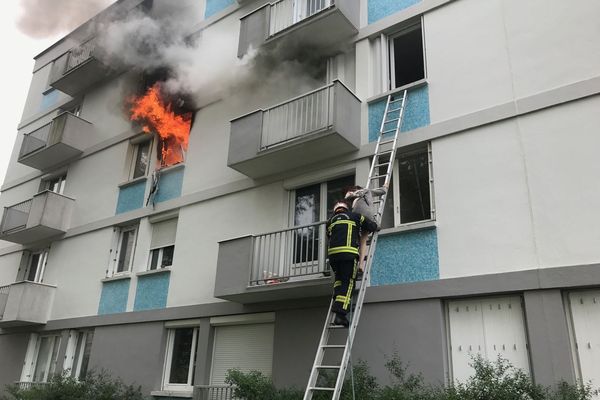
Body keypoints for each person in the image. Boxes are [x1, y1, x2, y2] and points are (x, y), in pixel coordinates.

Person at [326, 201, 377, 327]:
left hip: (333, 257)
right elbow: (371, 226)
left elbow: (330, 236)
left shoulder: (330, 221)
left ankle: (337, 300)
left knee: (339, 280)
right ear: (346, 209)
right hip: (348, 255)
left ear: (335, 211)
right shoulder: (355, 216)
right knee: (348, 282)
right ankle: (340, 313)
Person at [344, 184, 388, 273]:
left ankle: (360, 265)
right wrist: (385, 186)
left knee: (361, 242)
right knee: (368, 234)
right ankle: (360, 265)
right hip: (366, 216)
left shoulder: (352, 199)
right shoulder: (366, 191)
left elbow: (347, 198)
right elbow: (382, 192)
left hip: (356, 217)